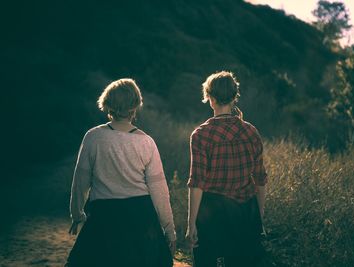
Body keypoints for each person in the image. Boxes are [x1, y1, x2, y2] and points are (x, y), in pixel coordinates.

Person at [65, 78, 176, 267]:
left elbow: (80, 181)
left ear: (108, 104)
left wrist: (77, 214)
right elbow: (160, 191)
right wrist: (169, 229)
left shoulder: (93, 137)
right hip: (141, 219)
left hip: (104, 218)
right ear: (135, 107)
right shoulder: (146, 142)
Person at [186, 71, 267, 267]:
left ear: (210, 99)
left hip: (213, 214)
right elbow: (260, 179)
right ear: (233, 98)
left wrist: (191, 223)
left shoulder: (201, 135)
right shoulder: (251, 131)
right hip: (246, 211)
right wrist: (260, 218)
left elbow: (197, 183)